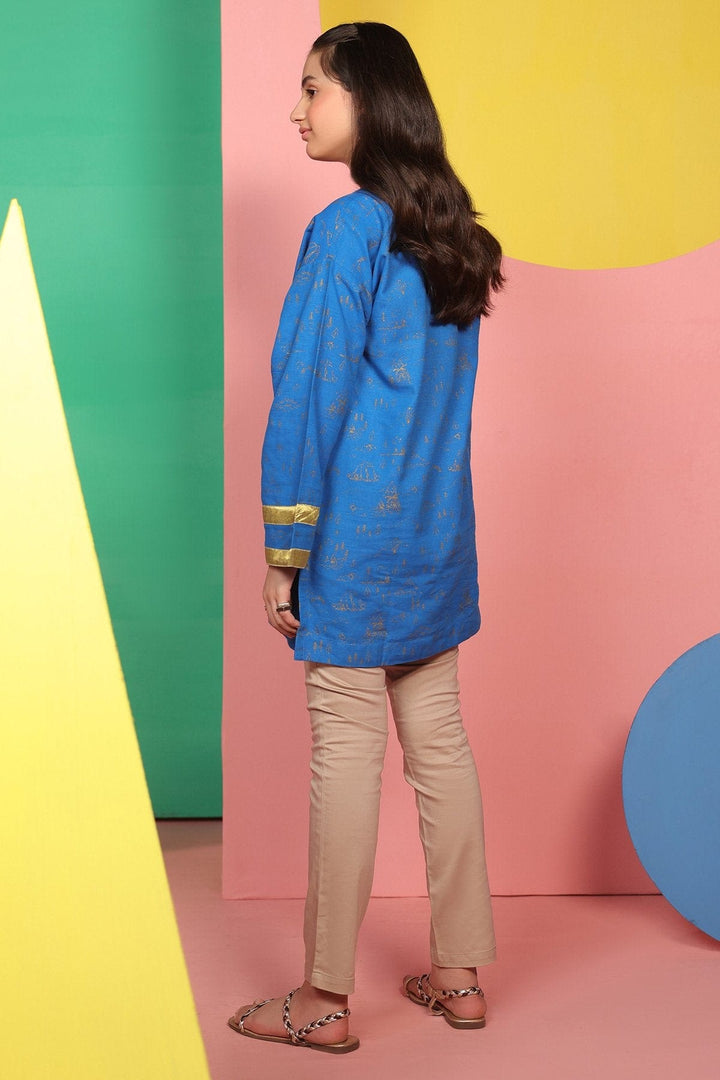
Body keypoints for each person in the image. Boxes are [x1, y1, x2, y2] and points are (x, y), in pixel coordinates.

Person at [229, 21, 504, 1054]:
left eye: (314, 89)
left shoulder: (349, 230)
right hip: (437, 539)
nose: (297, 110)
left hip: (354, 545)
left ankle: (322, 997)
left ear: (369, 99)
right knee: (442, 749)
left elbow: (309, 398)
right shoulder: (450, 228)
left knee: (345, 756)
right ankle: (460, 976)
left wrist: (284, 552)